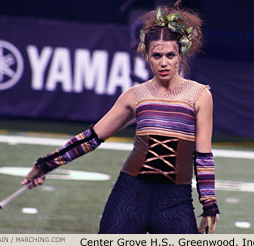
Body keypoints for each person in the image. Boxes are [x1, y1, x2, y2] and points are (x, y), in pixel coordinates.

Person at [22, 0, 220, 234]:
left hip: (175, 200)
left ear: (180, 54)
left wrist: (209, 205)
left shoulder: (200, 95)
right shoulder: (135, 95)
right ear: (147, 55)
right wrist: (46, 164)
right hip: (129, 196)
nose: (164, 62)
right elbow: (91, 138)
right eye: (157, 55)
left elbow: (203, 156)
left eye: (170, 55)